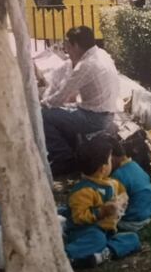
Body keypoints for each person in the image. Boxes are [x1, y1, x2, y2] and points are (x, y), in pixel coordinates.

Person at [41, 26, 120, 177]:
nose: (67, 52)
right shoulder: (101, 54)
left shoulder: (86, 65)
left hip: (95, 118)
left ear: (75, 45)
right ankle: (70, 154)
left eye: (68, 47)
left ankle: (63, 160)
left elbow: (58, 98)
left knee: (44, 114)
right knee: (61, 113)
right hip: (105, 113)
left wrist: (42, 104)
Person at [64, 136, 140, 269]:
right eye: (110, 159)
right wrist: (101, 212)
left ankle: (101, 255)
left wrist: (123, 200)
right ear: (103, 168)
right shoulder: (83, 191)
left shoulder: (111, 183)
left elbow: (122, 193)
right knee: (97, 239)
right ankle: (66, 256)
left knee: (132, 238)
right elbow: (78, 217)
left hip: (108, 231)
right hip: (84, 232)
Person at [108, 136, 151, 232]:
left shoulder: (118, 176)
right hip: (147, 214)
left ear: (111, 158)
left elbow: (114, 208)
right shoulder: (134, 165)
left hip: (132, 222)